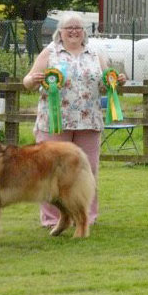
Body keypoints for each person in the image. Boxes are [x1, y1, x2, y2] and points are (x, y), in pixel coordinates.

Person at [23, 14, 123, 229]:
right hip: (55, 121)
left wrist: (114, 82)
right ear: (60, 32)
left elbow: (105, 84)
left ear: (84, 31)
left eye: (78, 27)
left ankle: (87, 216)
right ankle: (51, 219)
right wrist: (33, 80)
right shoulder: (50, 52)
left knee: (88, 171)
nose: (74, 31)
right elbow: (28, 81)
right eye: (69, 28)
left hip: (88, 121)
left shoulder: (96, 53)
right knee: (50, 171)